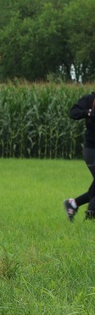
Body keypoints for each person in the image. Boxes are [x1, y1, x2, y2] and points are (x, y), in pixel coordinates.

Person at [64, 92, 95, 221]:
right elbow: (73, 112)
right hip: (92, 149)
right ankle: (91, 211)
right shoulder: (89, 99)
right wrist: (88, 113)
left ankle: (74, 204)